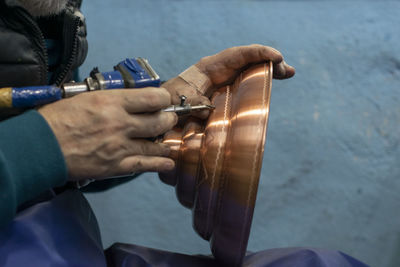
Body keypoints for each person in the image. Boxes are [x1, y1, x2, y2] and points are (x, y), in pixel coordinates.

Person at [0, 1, 369, 267]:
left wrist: (151, 124)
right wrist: (40, 147)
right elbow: (39, 147)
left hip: (62, 242)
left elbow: (49, 168)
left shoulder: (48, 11)